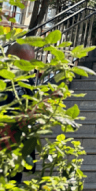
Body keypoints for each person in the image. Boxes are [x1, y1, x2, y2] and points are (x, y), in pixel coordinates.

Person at [2, 44, 36, 183]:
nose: (28, 69)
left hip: (18, 147)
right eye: (24, 64)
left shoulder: (27, 79)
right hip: (4, 143)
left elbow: (32, 103)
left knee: (15, 182)